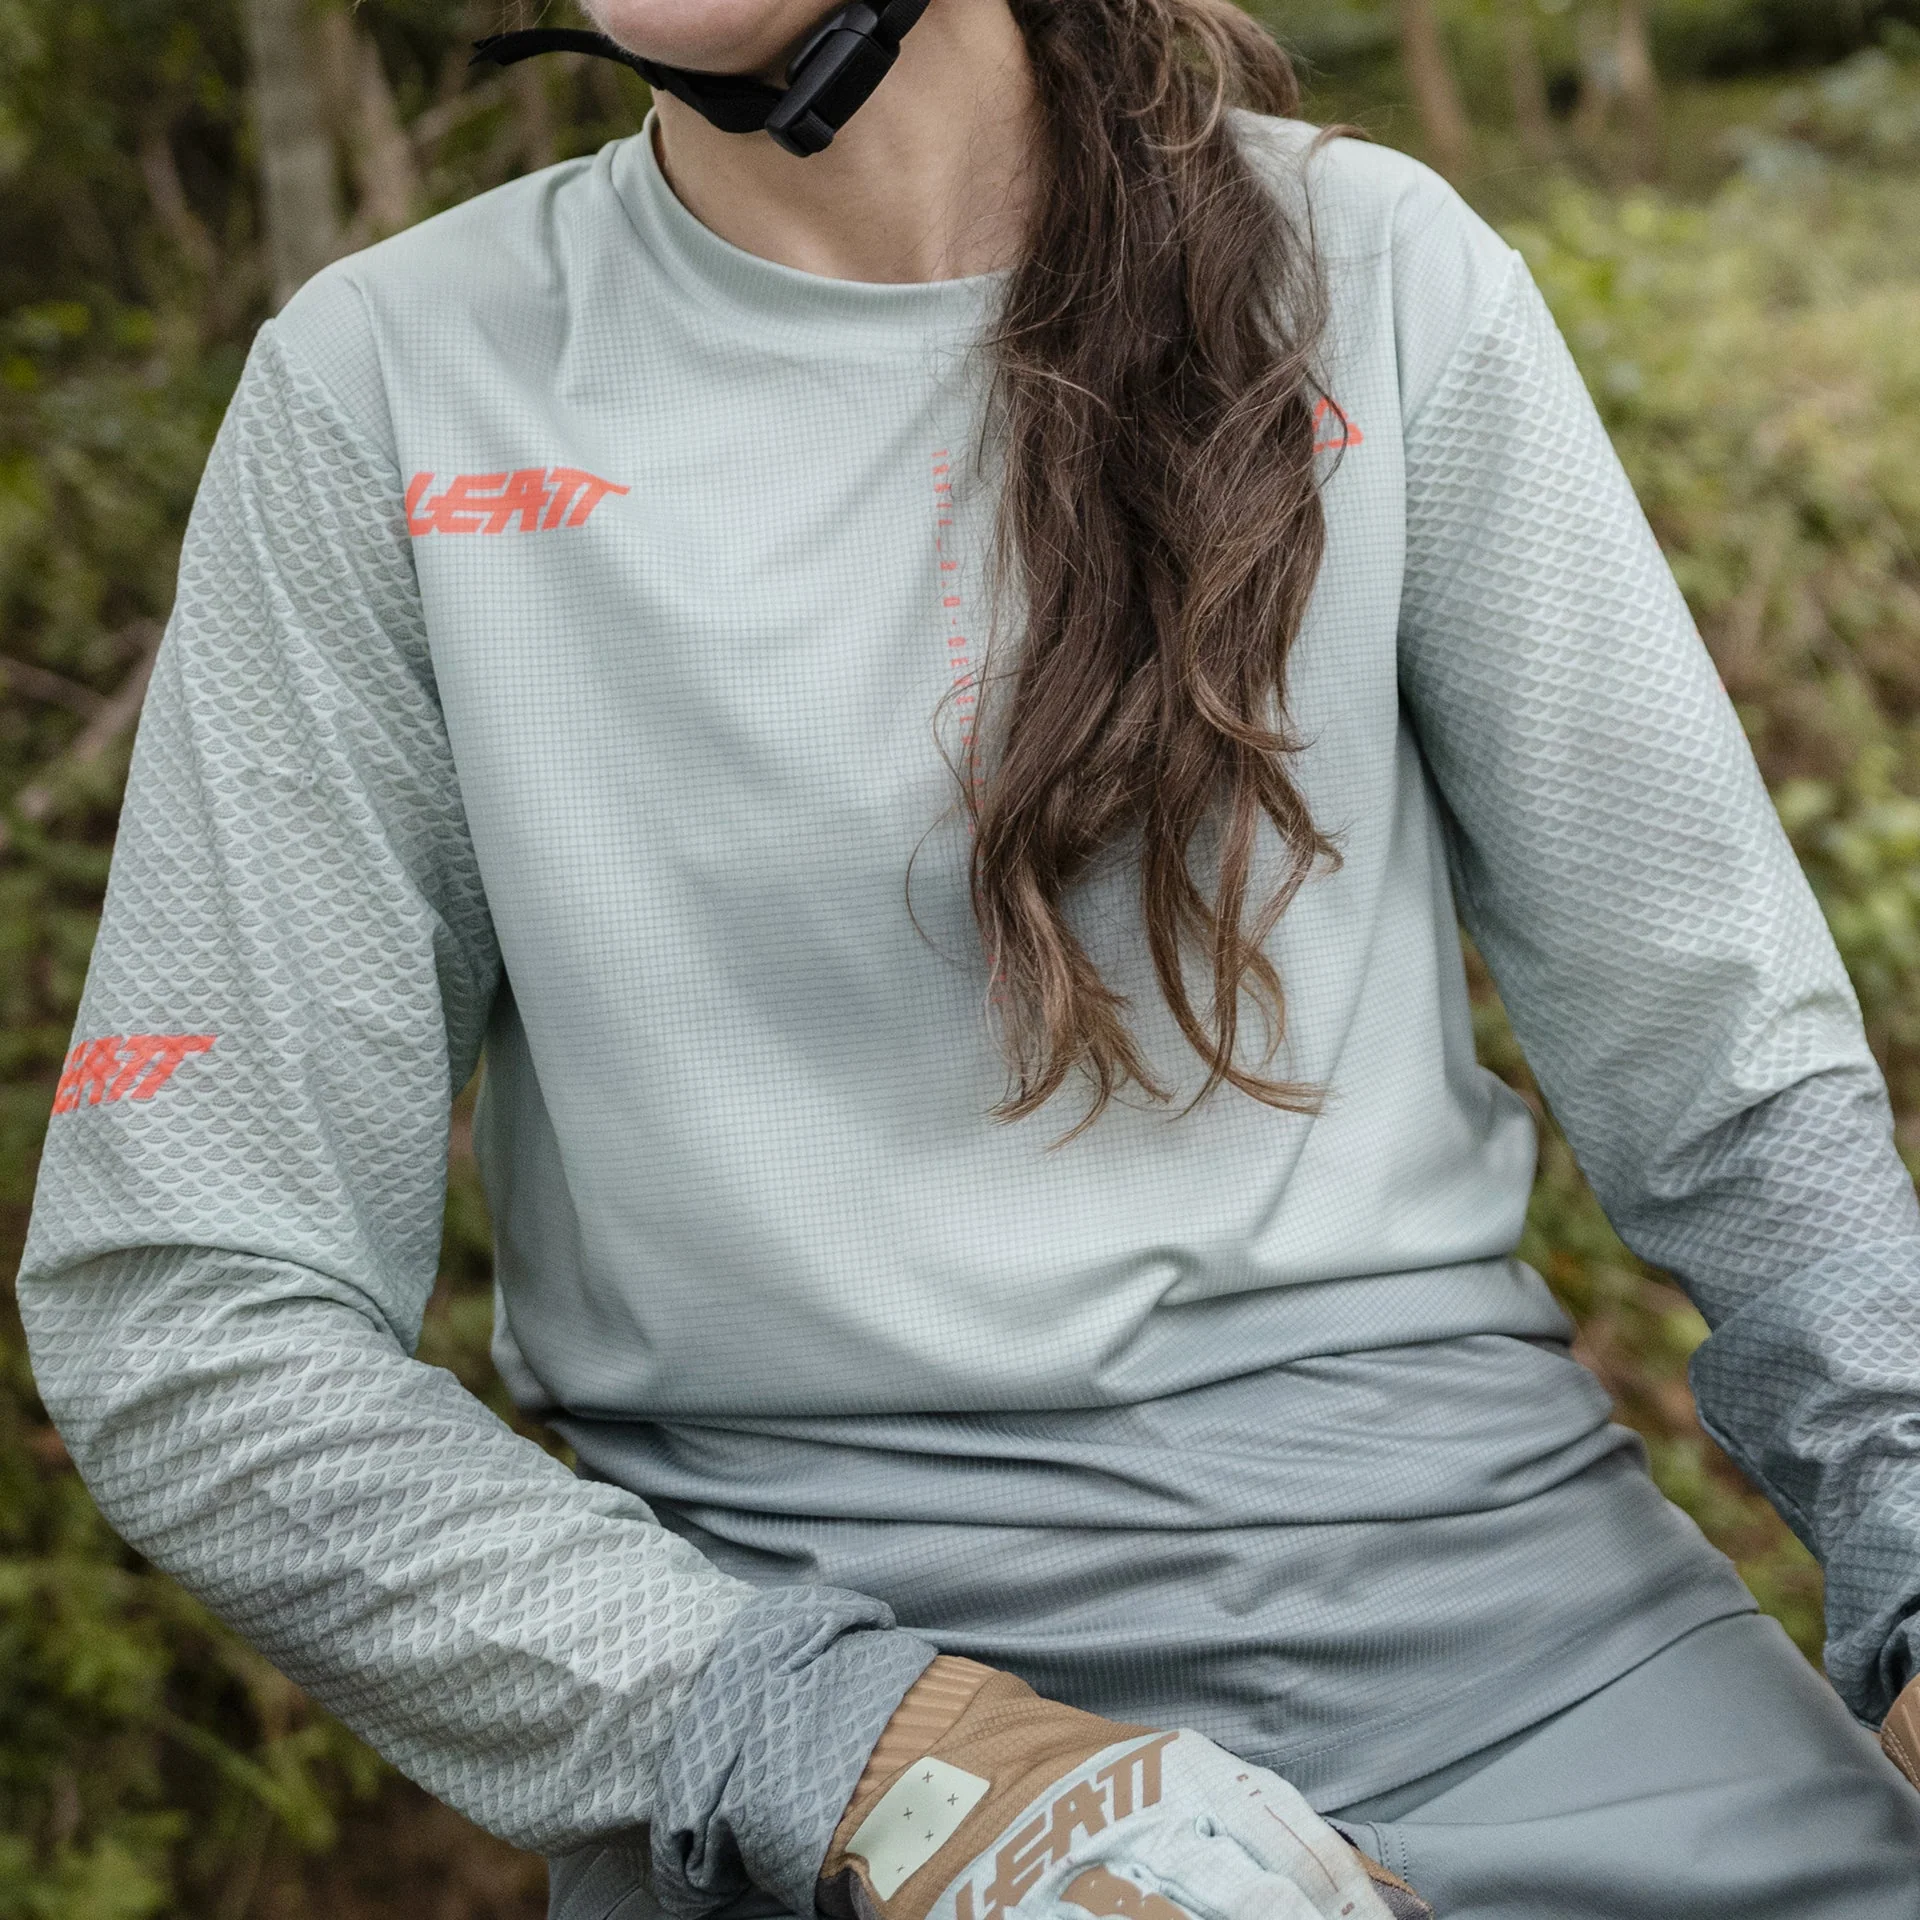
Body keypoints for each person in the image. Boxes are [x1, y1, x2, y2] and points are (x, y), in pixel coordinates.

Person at [18, 0, 1920, 1911]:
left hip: (1538, 1641)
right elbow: (187, 1303)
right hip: (817, 1729)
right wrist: (876, 1760)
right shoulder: (393, 386)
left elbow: (1737, 1088)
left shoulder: (1379, 274)